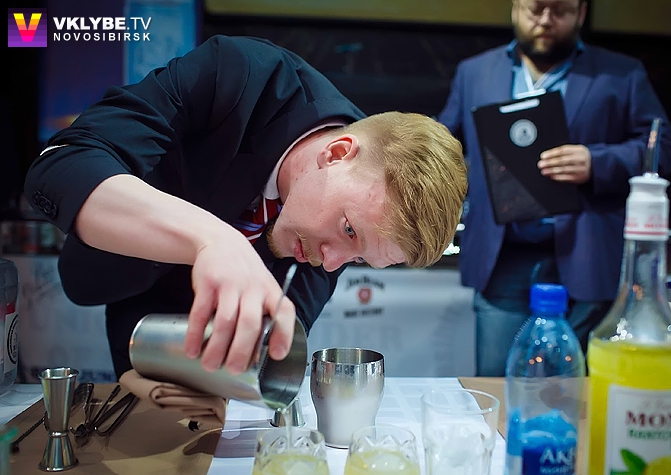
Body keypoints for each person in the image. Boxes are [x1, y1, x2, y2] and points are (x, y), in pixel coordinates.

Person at [24, 35, 468, 380]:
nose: (331, 263)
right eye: (349, 231)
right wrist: (212, 239)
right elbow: (61, 164)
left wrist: (223, 379)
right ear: (336, 154)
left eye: (358, 259)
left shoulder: (339, 231)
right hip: (116, 273)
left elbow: (273, 347)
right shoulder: (239, 76)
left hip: (172, 347)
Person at [438, 0, 671, 376]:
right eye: (535, 9)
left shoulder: (621, 73)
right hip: (502, 256)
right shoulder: (475, 72)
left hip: (586, 255)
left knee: (575, 388)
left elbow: (662, 148)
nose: (546, 20)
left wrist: (596, 162)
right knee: (496, 381)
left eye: (560, 11)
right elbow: (442, 146)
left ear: (581, 13)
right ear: (515, 7)